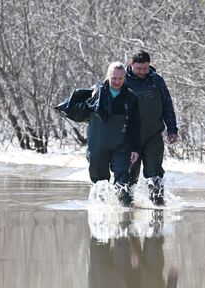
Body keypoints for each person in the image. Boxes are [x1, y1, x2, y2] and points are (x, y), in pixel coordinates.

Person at [74, 62, 141, 207]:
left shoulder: (131, 97)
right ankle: (100, 213)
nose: (117, 82)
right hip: (97, 145)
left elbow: (135, 125)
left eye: (120, 79)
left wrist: (135, 148)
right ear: (107, 76)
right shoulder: (95, 93)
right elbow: (79, 112)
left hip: (122, 146)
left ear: (125, 78)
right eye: (114, 78)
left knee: (123, 180)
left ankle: (126, 214)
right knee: (99, 183)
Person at [125, 50, 179, 206]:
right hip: (129, 138)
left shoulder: (156, 81)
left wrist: (172, 129)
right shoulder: (123, 81)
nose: (142, 72)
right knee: (128, 176)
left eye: (145, 68)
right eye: (139, 68)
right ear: (131, 65)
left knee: (155, 174)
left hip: (153, 136)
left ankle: (158, 207)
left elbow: (167, 105)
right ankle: (126, 210)